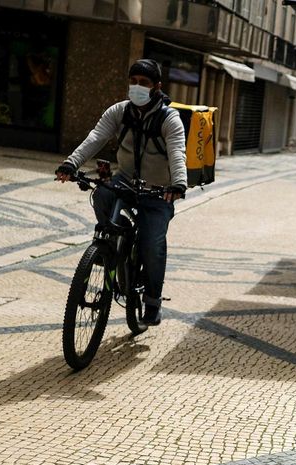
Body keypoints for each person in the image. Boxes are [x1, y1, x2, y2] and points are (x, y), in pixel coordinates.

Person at [55, 58, 187, 326]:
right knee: (102, 193)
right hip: (126, 180)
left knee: (152, 243)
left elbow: (177, 152)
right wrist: (71, 163)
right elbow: (96, 137)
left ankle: (152, 301)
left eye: (144, 83)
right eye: (133, 82)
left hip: (159, 190)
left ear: (157, 87)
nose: (137, 87)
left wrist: (178, 184)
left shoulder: (169, 118)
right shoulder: (120, 111)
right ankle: (111, 245)